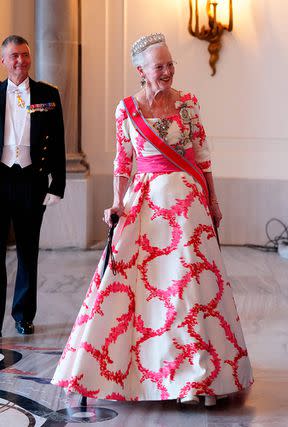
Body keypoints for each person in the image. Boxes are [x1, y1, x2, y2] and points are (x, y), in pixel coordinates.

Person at [51, 33, 253, 405]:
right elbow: (123, 160)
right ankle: (153, 373)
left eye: (170, 64)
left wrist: (213, 199)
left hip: (189, 206)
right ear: (141, 71)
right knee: (143, 289)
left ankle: (199, 377)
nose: (167, 72)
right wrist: (115, 202)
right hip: (145, 207)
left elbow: (203, 155)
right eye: (159, 66)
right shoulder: (126, 109)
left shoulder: (189, 103)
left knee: (189, 288)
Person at [0, 35, 65, 337]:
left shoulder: (47, 94)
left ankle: (23, 315)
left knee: (28, 251)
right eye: (13, 56)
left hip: (31, 179)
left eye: (24, 55)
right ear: (4, 61)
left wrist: (58, 184)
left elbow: (60, 143)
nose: (20, 61)